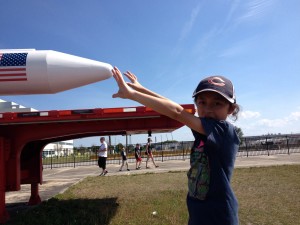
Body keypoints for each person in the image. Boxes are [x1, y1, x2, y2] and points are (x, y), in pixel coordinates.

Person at [112, 67, 240, 225]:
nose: (208, 109)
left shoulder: (223, 131)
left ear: (231, 109)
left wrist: (133, 95)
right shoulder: (204, 132)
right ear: (196, 104)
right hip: (199, 211)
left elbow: (177, 112)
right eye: (202, 102)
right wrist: (142, 88)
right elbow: (174, 106)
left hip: (219, 216)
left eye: (217, 103)